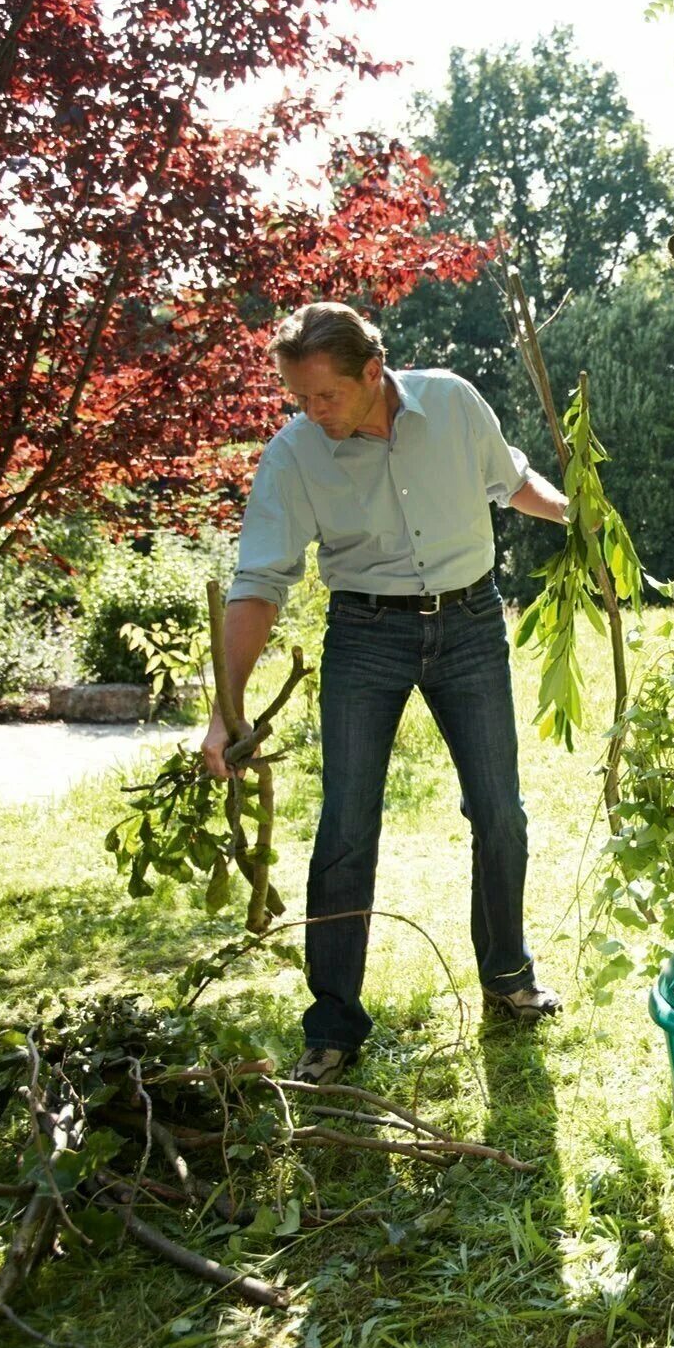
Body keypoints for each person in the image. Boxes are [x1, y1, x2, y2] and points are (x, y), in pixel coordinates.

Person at [205, 301, 568, 1087]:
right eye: (299, 398)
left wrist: (579, 516)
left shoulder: (454, 401)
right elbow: (258, 584)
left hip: (470, 625)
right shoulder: (298, 454)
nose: (311, 412)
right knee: (345, 824)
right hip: (366, 636)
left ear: (374, 371)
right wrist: (222, 713)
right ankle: (334, 1023)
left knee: (499, 811)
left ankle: (508, 977)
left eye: (323, 395)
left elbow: (510, 480)